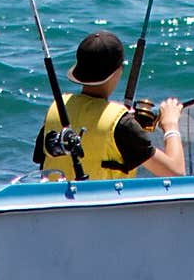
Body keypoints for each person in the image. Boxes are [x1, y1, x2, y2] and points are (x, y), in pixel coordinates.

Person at [33, 30, 185, 181]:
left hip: (56, 200)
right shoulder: (121, 124)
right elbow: (176, 173)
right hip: (101, 202)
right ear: (118, 71)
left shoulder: (57, 108)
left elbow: (42, 159)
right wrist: (171, 126)